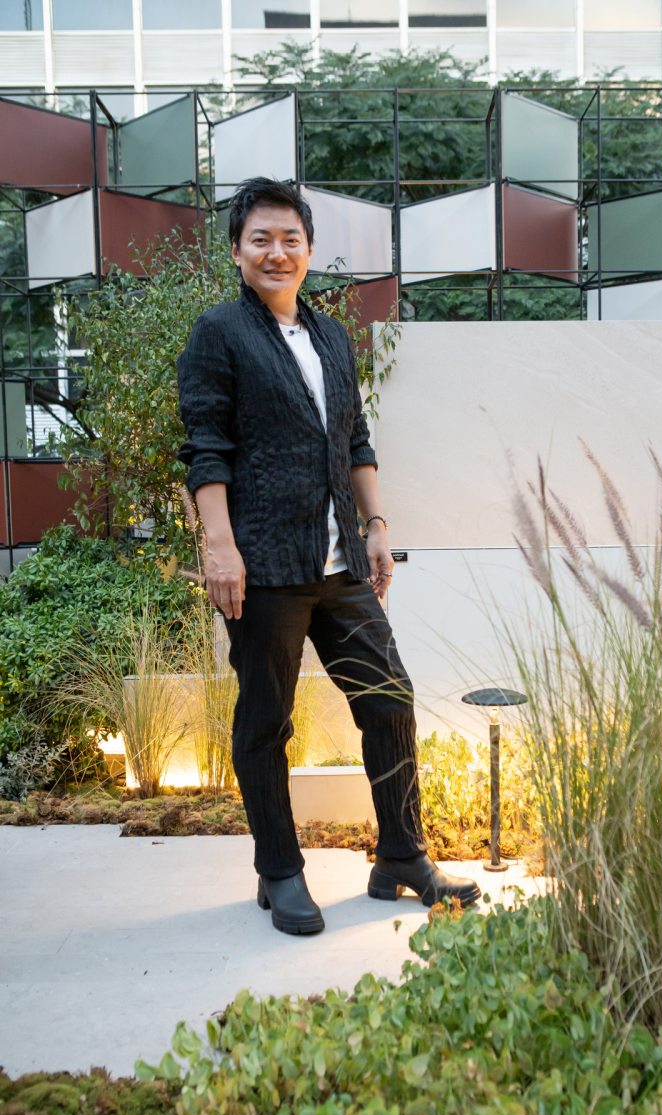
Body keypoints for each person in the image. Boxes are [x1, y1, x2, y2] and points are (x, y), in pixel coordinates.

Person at [177, 178, 480, 936]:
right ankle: (279, 871)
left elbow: (354, 439)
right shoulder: (219, 333)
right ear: (237, 250)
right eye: (261, 239)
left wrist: (375, 523)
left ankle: (401, 856)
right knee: (266, 722)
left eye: (291, 239)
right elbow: (206, 447)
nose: (277, 252)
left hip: (341, 564)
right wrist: (220, 548)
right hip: (265, 567)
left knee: (390, 700)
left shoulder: (331, 336)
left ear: (309, 249)